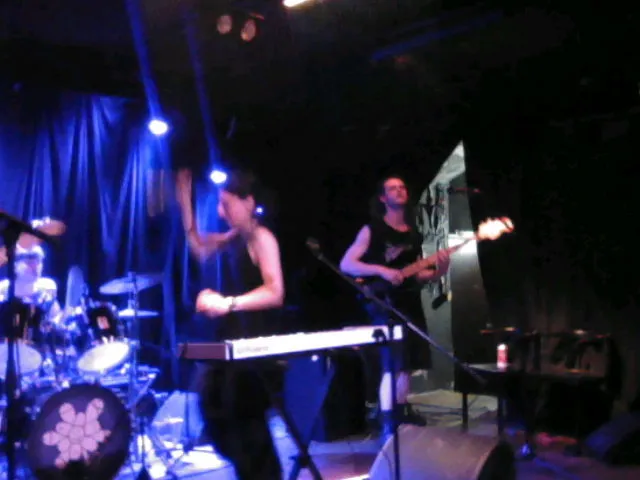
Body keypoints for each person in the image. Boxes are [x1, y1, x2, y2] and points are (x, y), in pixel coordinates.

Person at [176, 167, 285, 480]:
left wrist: (228, 303)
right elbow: (199, 247)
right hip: (233, 349)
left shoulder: (261, 237)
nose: (221, 212)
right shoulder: (233, 237)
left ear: (248, 202)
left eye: (226, 204)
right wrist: (185, 203)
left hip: (255, 351)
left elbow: (275, 291)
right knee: (216, 413)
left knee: (247, 431)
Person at [340, 175, 451, 439]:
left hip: (408, 302)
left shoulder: (413, 233)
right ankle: (387, 418)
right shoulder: (372, 230)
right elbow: (347, 264)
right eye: (393, 188)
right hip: (383, 303)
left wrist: (439, 270)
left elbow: (417, 274)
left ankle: (399, 411)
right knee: (393, 363)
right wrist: (381, 270)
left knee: (408, 363)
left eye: (402, 187)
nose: (400, 191)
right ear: (382, 198)